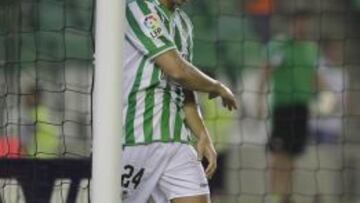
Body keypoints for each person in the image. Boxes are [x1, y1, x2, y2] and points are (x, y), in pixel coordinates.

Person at [122, 0, 238, 202]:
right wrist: (217, 87)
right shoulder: (138, 9)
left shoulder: (184, 23)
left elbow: (185, 84)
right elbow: (176, 70)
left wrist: (202, 134)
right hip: (135, 138)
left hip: (176, 141)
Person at [257, 10, 327, 203]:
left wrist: (329, 96)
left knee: (293, 155)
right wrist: (259, 101)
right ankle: (274, 196)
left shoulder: (312, 49)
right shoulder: (278, 46)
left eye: (306, 23)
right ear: (292, 24)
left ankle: (286, 196)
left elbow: (315, 78)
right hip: (282, 108)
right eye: (299, 22)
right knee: (279, 154)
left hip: (302, 108)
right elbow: (264, 73)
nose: (302, 27)